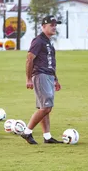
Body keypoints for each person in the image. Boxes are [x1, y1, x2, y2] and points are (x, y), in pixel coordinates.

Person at [21, 15, 63, 144]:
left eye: (56, 24)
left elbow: (50, 63)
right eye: (52, 25)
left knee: (44, 107)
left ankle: (47, 137)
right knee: (46, 107)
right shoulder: (38, 41)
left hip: (49, 76)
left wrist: (56, 79)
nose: (54, 27)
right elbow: (29, 59)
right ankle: (27, 132)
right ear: (43, 26)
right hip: (41, 75)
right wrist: (28, 78)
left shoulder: (48, 42)